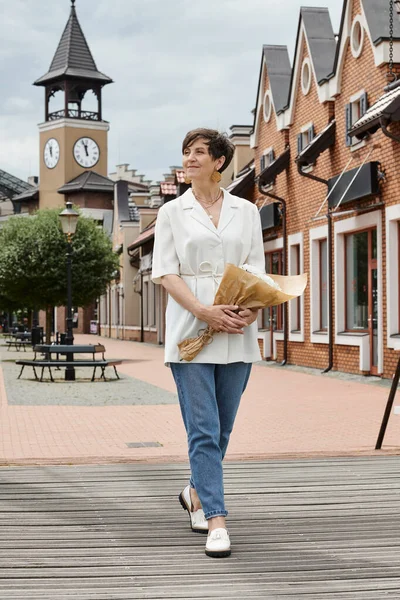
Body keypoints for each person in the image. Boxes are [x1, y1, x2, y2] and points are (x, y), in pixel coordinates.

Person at [152, 128, 265, 558]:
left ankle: (195, 494)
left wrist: (249, 311)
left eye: (199, 152)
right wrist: (203, 311)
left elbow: (255, 269)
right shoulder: (171, 213)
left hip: (237, 329)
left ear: (220, 161)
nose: (190, 158)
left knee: (224, 428)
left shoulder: (247, 210)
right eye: (186, 152)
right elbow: (167, 272)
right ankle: (217, 519)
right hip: (190, 330)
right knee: (203, 428)